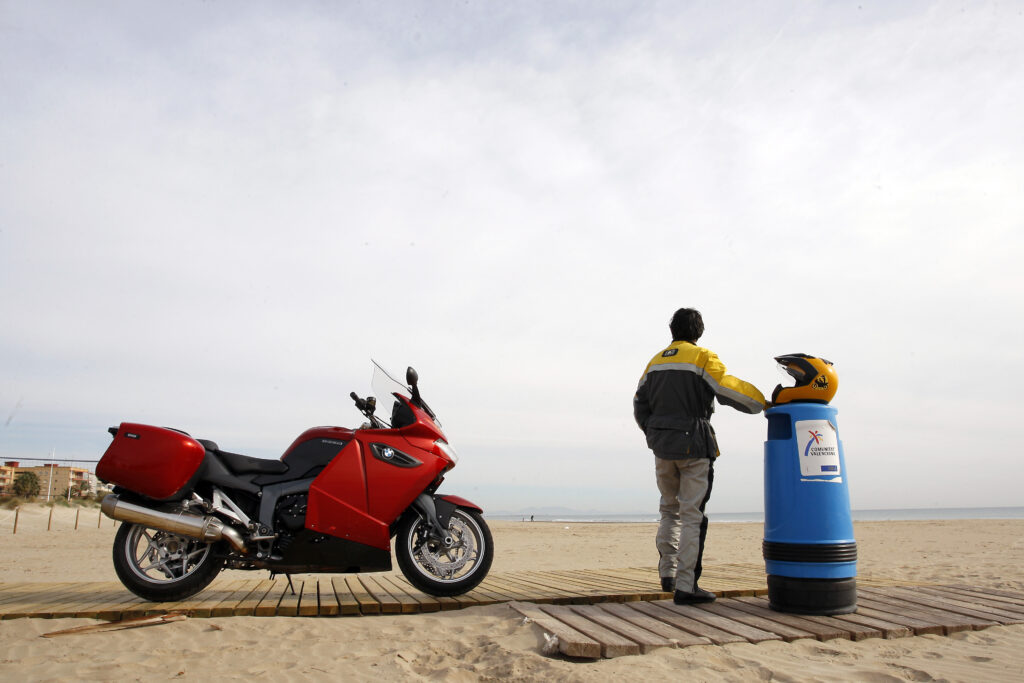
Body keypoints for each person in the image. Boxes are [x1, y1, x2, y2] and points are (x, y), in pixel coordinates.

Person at [633, 308, 766, 605]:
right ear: (699, 332)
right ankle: (686, 586)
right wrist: (762, 403)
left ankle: (667, 575)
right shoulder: (702, 357)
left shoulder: (654, 363)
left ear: (672, 331)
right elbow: (726, 388)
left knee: (669, 510)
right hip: (693, 445)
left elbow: (639, 404)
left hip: (662, 447)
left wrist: (653, 434)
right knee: (693, 515)